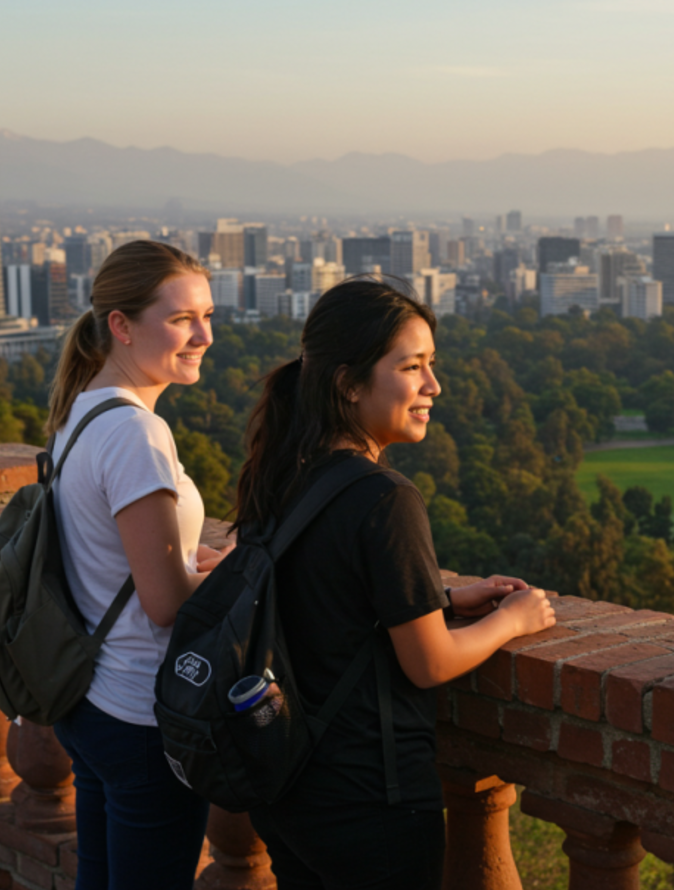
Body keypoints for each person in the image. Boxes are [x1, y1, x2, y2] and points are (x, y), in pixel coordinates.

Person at [233, 277, 557, 889]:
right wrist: (510, 620)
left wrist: (438, 598)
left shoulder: (281, 473)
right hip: (368, 798)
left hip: (287, 785)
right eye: (412, 367)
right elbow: (428, 662)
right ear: (349, 383)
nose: (433, 386)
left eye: (431, 365)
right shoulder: (384, 498)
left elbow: (320, 599)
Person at [44, 240, 228, 890]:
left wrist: (189, 557)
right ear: (121, 325)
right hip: (143, 715)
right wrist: (245, 576)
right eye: (181, 319)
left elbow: (107, 554)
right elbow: (167, 605)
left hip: (90, 700)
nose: (203, 334)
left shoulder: (82, 412)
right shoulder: (136, 434)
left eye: (207, 315)